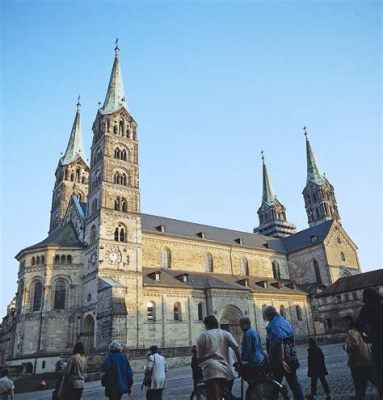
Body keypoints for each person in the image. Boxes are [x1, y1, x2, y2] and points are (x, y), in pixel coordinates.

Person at [263, 305, 304, 400]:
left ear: (269, 315)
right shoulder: (284, 320)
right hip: (291, 355)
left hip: (280, 359)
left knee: (275, 383)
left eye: (266, 316)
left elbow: (278, 342)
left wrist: (281, 359)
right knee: (293, 382)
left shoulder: (274, 324)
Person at [196, 315, 241, 400]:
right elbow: (237, 348)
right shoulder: (226, 333)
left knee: (214, 396)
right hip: (226, 370)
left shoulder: (203, 336)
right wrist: (240, 362)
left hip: (211, 371)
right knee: (226, 395)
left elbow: (199, 357)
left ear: (207, 325)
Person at [357, 287, 383, 399]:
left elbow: (358, 326)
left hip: (378, 345)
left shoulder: (366, 310)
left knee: (380, 374)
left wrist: (366, 337)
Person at [344, 316, 378, 400]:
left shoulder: (351, 332)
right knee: (372, 378)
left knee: (358, 380)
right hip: (366, 358)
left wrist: (345, 347)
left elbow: (354, 344)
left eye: (344, 322)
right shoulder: (360, 331)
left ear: (348, 322)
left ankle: (359, 396)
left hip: (357, 361)